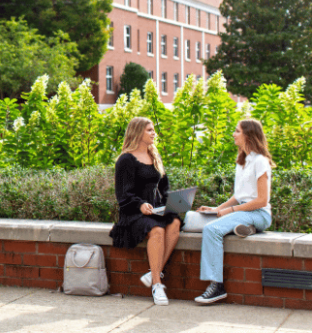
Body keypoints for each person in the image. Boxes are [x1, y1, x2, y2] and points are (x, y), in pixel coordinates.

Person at [194, 119, 275, 304]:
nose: (234, 134)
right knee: (204, 222)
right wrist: (217, 209)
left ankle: (217, 286)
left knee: (212, 230)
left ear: (248, 135)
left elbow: (262, 200)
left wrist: (231, 210)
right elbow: (239, 196)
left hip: (260, 214)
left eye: (237, 131)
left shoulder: (260, 161)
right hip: (243, 213)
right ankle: (246, 227)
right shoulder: (242, 161)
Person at [109, 117, 182, 306]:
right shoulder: (126, 160)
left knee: (175, 222)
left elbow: (164, 187)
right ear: (138, 132)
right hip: (133, 213)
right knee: (157, 230)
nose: (153, 133)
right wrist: (140, 204)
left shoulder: (154, 155)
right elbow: (123, 195)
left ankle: (154, 272)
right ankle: (157, 284)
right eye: (149, 130)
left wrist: (171, 204)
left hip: (155, 210)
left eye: (153, 130)